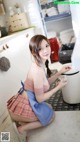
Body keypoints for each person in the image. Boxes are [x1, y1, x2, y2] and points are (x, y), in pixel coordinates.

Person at [7, 35, 71, 135]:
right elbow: (40, 99)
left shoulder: (39, 63)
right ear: (34, 52)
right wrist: (58, 87)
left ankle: (22, 121)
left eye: (46, 46)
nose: (45, 50)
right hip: (25, 104)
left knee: (49, 107)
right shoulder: (37, 70)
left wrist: (59, 72)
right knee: (50, 117)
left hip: (28, 99)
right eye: (40, 48)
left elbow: (45, 83)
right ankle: (22, 128)